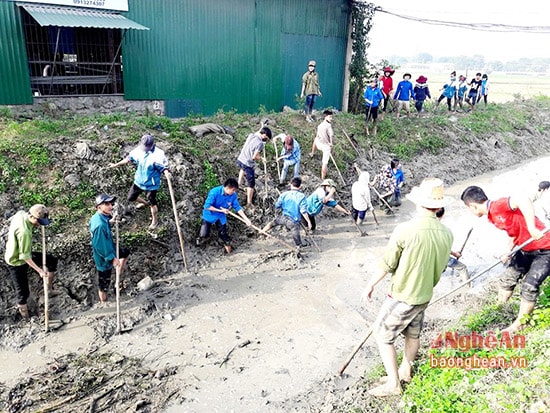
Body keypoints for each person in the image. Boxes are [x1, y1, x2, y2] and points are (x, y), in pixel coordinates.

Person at [363, 178, 453, 397]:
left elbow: (388, 263)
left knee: (382, 335)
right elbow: (440, 268)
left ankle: (394, 384)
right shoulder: (447, 234)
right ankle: (405, 370)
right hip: (424, 295)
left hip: (403, 295)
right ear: (439, 206)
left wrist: (370, 284)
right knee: (412, 335)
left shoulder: (405, 229)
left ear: (419, 203)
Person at [461, 185, 550, 333]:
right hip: (525, 249)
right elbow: (514, 231)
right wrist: (508, 251)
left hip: (545, 250)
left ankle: (520, 324)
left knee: (529, 285)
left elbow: (523, 199)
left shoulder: (497, 206)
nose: (469, 212)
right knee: (507, 280)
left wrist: (532, 227)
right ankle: (498, 308)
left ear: (473, 206)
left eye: (468, 209)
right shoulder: (492, 217)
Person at [4, 204, 58, 318]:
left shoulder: (21, 214)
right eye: (39, 222)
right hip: (16, 260)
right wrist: (40, 271)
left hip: (23, 250)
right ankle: (26, 317)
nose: (39, 225)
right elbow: (25, 257)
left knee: (51, 261)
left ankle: (48, 290)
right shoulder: (24, 233)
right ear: (32, 217)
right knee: (23, 293)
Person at [109, 134, 171, 230]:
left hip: (151, 184)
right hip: (139, 180)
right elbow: (128, 159)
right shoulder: (138, 151)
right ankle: (145, 203)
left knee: (152, 203)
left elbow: (164, 167)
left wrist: (167, 173)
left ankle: (155, 220)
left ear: (152, 145)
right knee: (131, 197)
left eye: (147, 147)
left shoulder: (158, 154)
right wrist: (115, 165)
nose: (145, 149)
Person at [90, 194, 130, 303]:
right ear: (99, 207)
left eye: (110, 204)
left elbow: (104, 224)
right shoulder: (99, 226)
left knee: (125, 252)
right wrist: (112, 259)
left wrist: (110, 221)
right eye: (106, 204)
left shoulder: (100, 217)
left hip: (110, 247)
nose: (110, 206)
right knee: (104, 283)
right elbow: (99, 247)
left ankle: (118, 278)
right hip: (103, 258)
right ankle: (104, 302)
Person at [197, 178, 252, 254]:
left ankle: (229, 251)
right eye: (233, 190)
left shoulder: (233, 195)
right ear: (227, 188)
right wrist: (221, 210)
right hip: (210, 215)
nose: (234, 192)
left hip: (221, 216)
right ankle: (200, 244)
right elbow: (207, 206)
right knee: (203, 234)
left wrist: (246, 219)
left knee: (223, 234)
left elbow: (237, 208)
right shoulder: (214, 192)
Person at [262, 177, 312, 247]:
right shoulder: (302, 196)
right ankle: (299, 244)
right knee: (295, 230)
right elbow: (303, 211)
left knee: (272, 223)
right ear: (300, 186)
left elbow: (277, 205)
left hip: (283, 217)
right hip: (293, 220)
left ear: (291, 184)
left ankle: (262, 231)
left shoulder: (284, 194)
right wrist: (309, 222)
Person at [236, 126, 272, 207]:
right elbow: (254, 156)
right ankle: (249, 203)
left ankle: (238, 183)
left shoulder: (251, 135)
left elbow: (258, 132)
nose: (266, 139)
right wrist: (262, 158)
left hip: (241, 159)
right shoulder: (260, 143)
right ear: (264, 135)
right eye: (266, 137)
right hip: (248, 163)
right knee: (251, 184)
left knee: (242, 169)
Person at [435, 207, 470, 284]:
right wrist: (455, 254)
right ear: (443, 215)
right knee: (462, 268)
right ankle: (468, 286)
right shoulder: (443, 230)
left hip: (428, 256)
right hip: (441, 257)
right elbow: (444, 248)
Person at [309, 110, 334, 180]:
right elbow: (331, 136)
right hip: (326, 147)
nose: (331, 118)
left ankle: (312, 153)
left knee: (315, 139)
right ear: (325, 117)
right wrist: (331, 144)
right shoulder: (329, 126)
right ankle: (322, 178)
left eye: (331, 117)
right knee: (325, 163)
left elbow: (317, 135)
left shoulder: (320, 125)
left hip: (319, 143)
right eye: (330, 117)